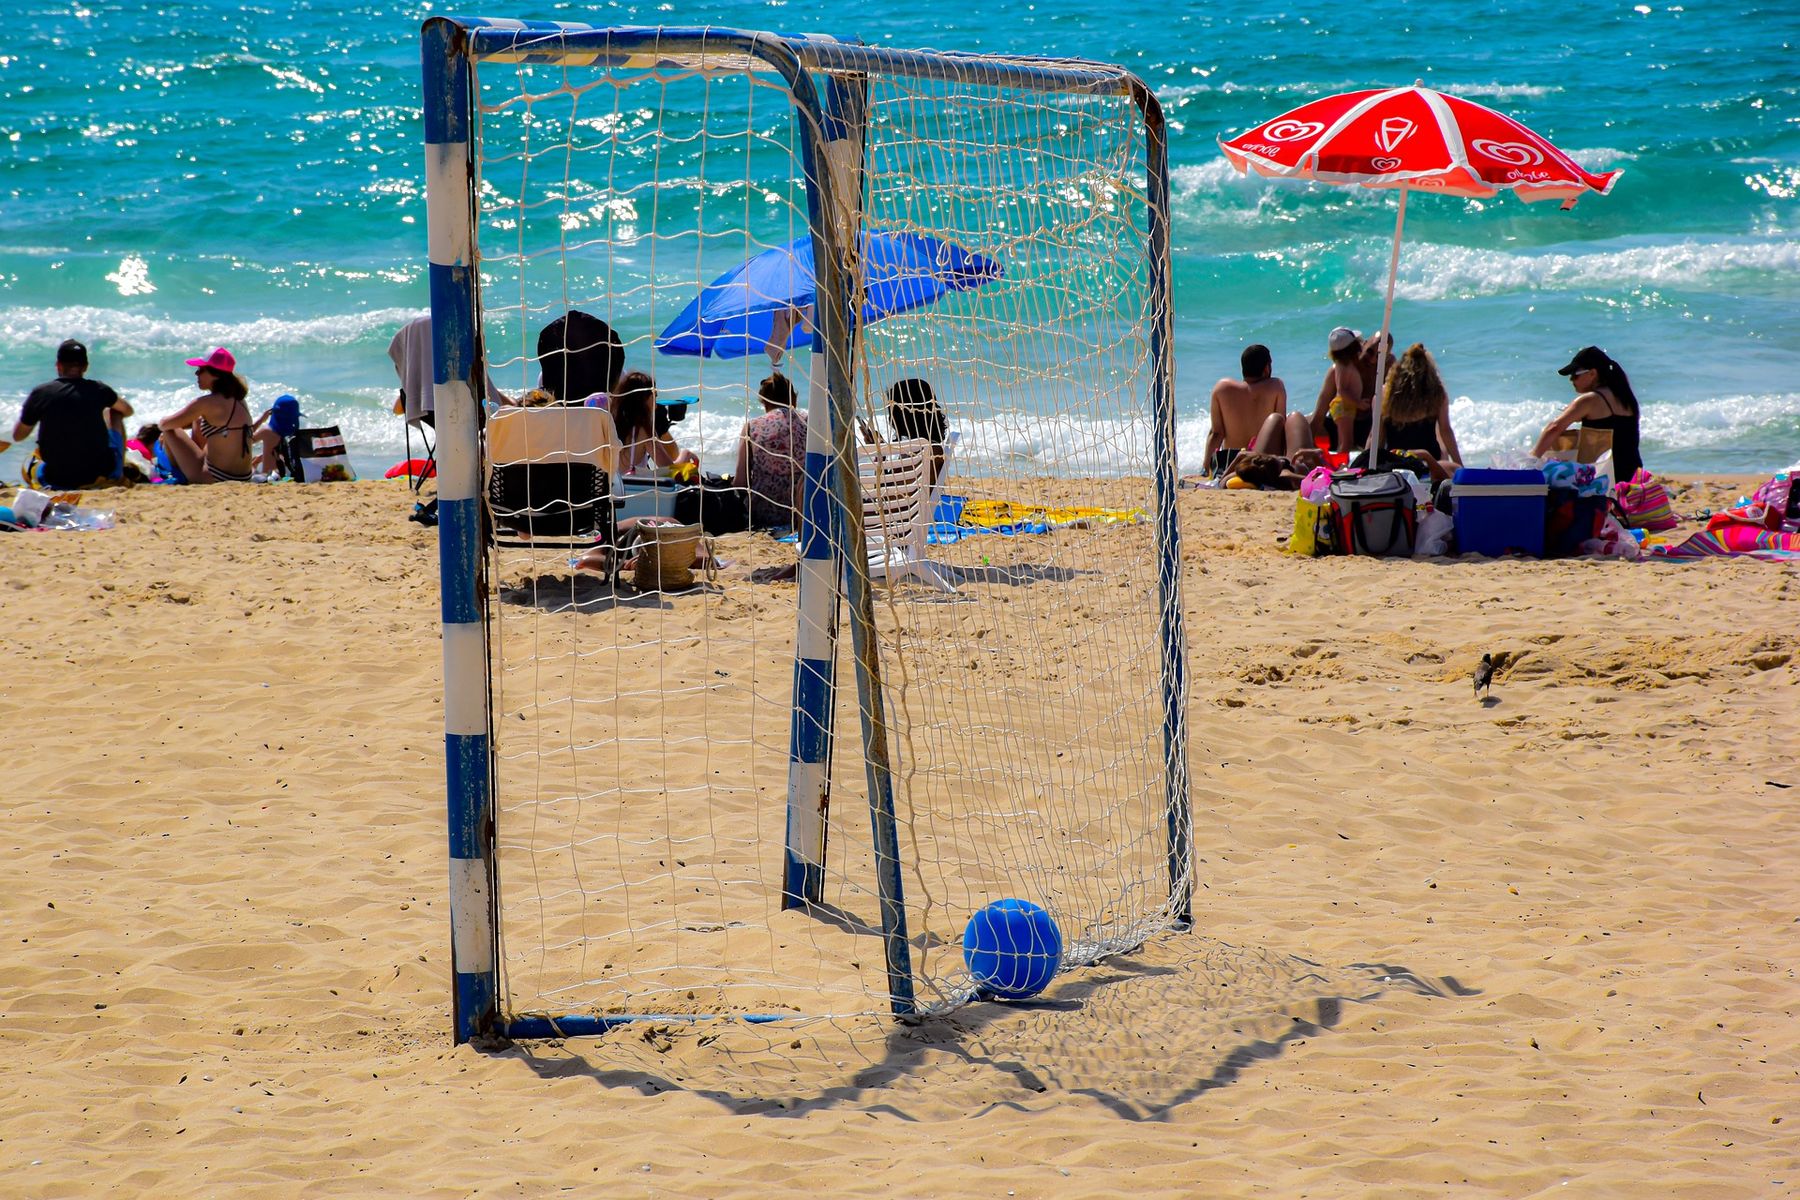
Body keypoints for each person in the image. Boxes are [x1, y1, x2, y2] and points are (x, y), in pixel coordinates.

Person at [10, 339, 133, 489]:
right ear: (86, 367)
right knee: (114, 412)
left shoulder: (41, 393)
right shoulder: (99, 389)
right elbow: (127, 410)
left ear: (58, 365)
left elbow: (18, 436)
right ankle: (117, 474)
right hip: (98, 473)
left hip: (56, 477)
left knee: (33, 463)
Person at [1532, 345, 1643, 481]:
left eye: (1575, 375)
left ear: (1592, 373)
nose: (1571, 379)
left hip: (1606, 479)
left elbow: (1554, 427)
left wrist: (1531, 460)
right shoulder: (1626, 398)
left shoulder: (1590, 400)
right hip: (1633, 476)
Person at [1355, 342, 1462, 481]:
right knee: (1450, 462)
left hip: (1396, 461)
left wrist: (1367, 467)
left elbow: (1376, 438)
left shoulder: (1384, 396)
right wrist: (1460, 465)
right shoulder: (1437, 394)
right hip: (1429, 464)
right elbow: (1446, 431)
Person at [155, 347, 256, 484]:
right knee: (198, 420)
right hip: (244, 477)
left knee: (169, 431)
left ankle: (178, 476)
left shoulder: (207, 403)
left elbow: (164, 424)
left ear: (216, 374)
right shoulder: (239, 400)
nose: (196, 373)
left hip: (215, 477)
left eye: (201, 370)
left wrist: (175, 426)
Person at [736, 371, 808, 529]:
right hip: (805, 513)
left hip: (763, 515)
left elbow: (741, 482)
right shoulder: (810, 422)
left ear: (764, 403)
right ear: (793, 399)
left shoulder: (752, 426)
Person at [1204, 344, 1287, 477]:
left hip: (1231, 464)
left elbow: (1217, 434)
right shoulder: (1275, 386)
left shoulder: (1222, 388)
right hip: (1262, 463)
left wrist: (1205, 468)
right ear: (1266, 368)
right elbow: (1280, 431)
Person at [609, 370, 698, 475]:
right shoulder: (644, 430)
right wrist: (685, 454)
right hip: (630, 486)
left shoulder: (610, 421)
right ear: (647, 398)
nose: (656, 405)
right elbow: (670, 469)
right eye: (655, 396)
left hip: (610, 484)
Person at [1218, 412, 1326, 490]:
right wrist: (1316, 457)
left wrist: (1240, 457)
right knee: (1295, 417)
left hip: (1263, 472)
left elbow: (1220, 483)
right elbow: (1324, 483)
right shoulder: (1286, 474)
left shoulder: (1240, 473)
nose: (1279, 457)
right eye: (1278, 459)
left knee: (1275, 418)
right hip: (1294, 464)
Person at [1305, 327, 1370, 454]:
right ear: (1352, 346)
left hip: (1344, 406)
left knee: (1346, 441)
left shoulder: (1345, 364)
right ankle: (1341, 467)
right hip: (1343, 407)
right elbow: (1342, 390)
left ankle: (1341, 463)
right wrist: (1359, 403)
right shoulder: (1342, 366)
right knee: (1346, 442)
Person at [883, 377, 950, 484]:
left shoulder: (928, 453)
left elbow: (892, 494)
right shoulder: (925, 450)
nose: (890, 418)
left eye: (892, 411)